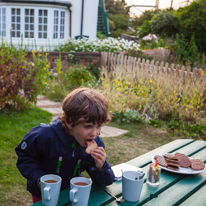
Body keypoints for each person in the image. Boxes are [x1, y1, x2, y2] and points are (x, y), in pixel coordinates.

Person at [15, 87, 115, 203]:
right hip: (44, 193)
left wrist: (101, 167)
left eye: (99, 126)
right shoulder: (44, 136)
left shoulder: (95, 143)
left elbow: (104, 182)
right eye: (87, 126)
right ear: (69, 122)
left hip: (73, 193)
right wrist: (39, 179)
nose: (94, 133)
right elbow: (25, 157)